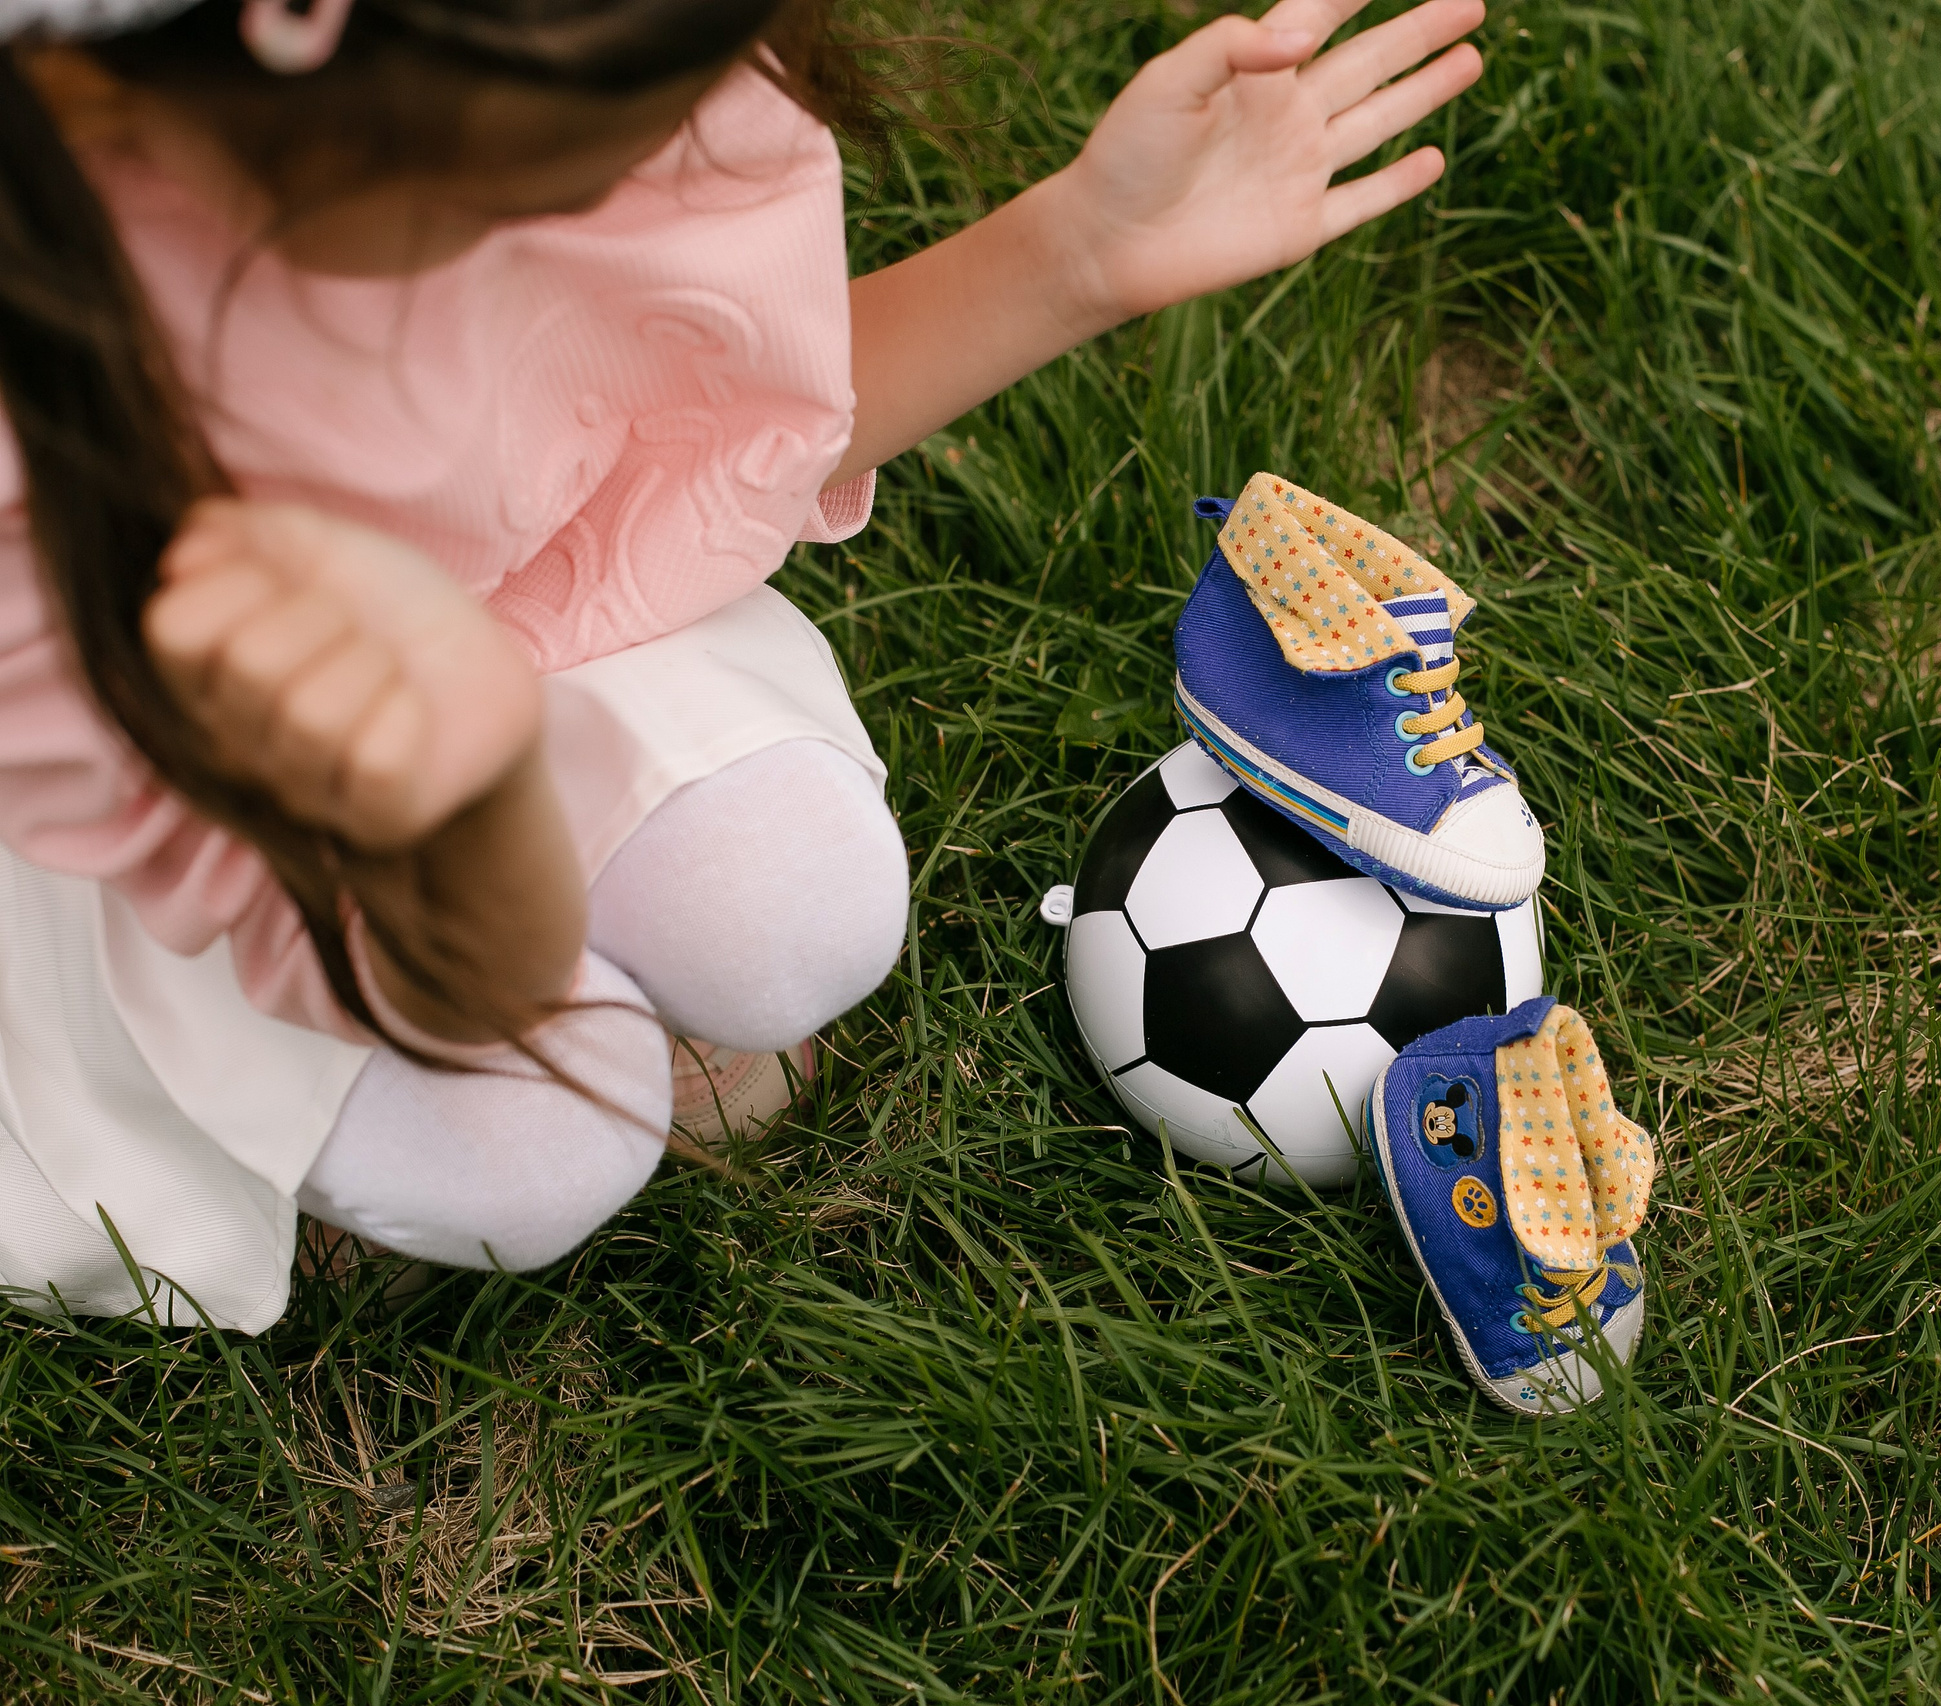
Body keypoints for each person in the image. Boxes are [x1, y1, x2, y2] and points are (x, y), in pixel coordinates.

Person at [0, 0, 1485, 1330]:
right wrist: (475, 782)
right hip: (195, 822)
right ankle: (264, 1146)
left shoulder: (610, 67)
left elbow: (713, 419)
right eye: (573, 163)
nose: (637, 180)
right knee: (533, 1148)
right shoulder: (61, 421)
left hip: (502, 628)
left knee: (794, 909)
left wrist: (1081, 250)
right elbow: (298, 879)